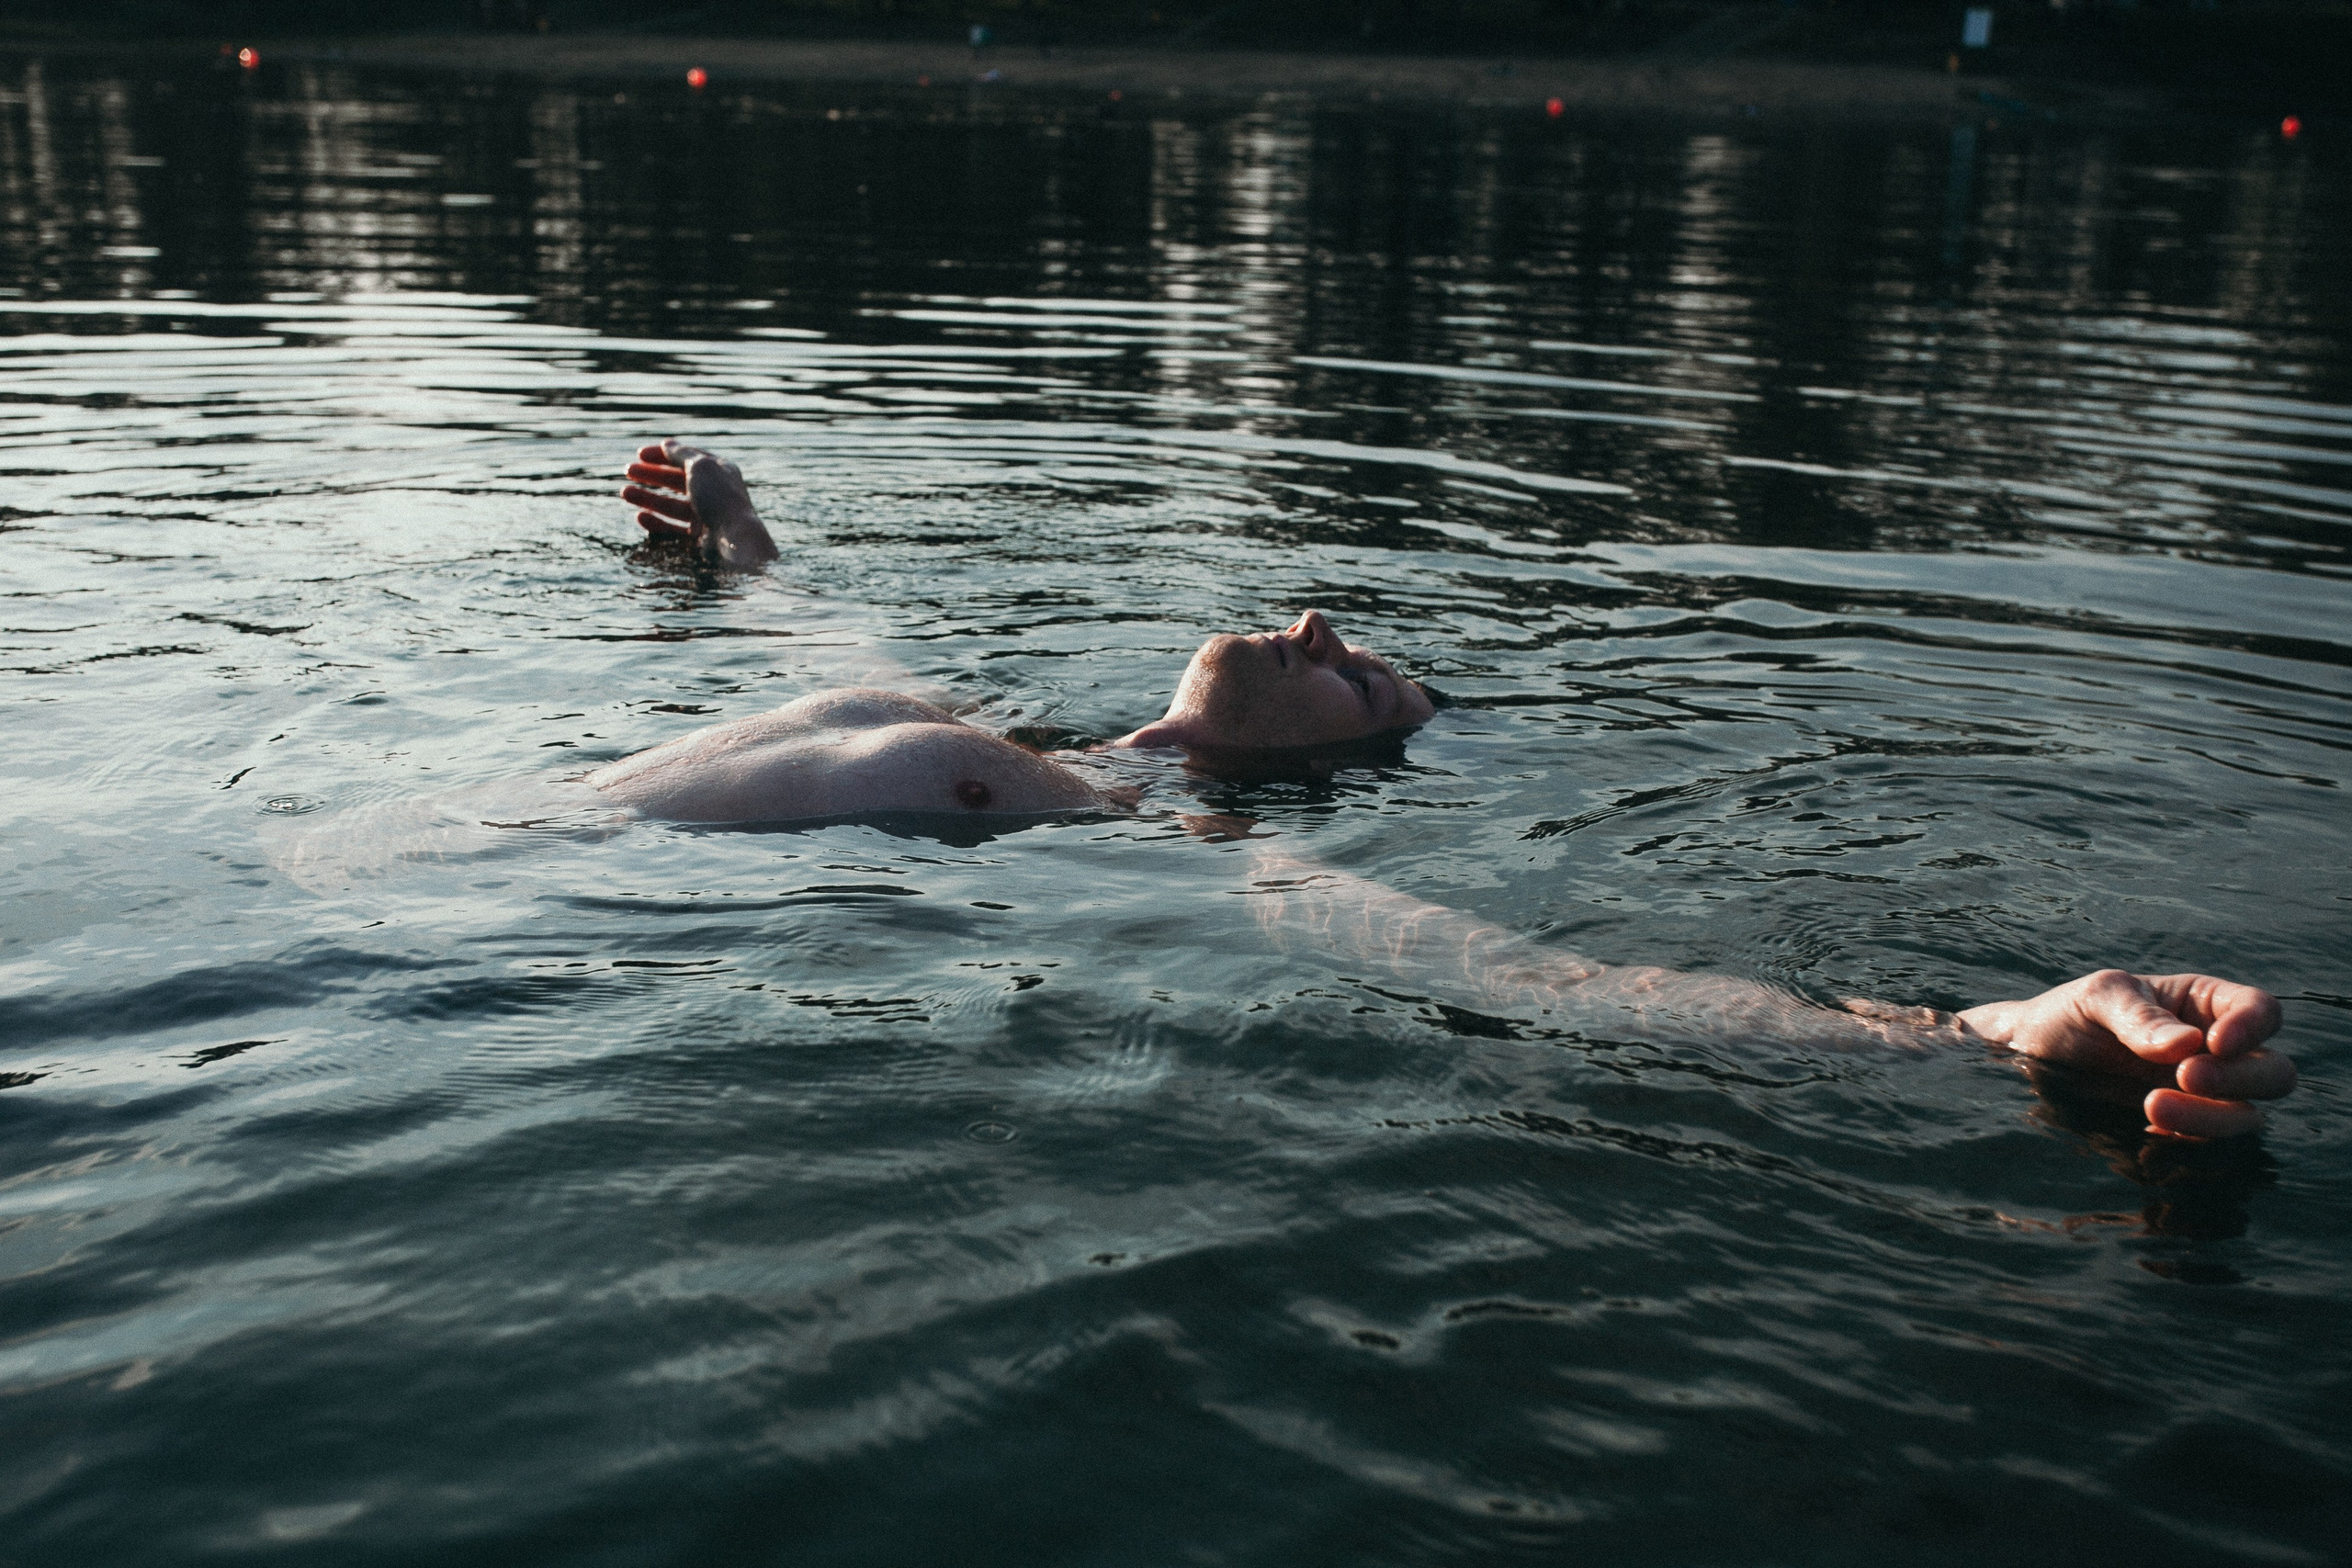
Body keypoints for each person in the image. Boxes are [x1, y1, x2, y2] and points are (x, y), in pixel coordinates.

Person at [605, 439, 2299, 1143]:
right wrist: (741, 538)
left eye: (1358, 674)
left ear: (1335, 762)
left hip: (420, 930)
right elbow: (823, 640)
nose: (1316, 623)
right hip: (403, 862)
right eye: (1336, 635)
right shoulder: (1025, 743)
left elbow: (1541, 980)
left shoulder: (1194, 864)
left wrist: (1992, 1027)